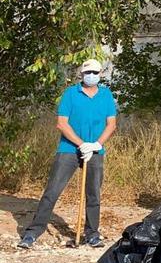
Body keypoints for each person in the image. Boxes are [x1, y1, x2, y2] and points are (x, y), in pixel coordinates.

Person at [18, 59, 117, 249]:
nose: (92, 76)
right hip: (69, 149)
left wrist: (95, 144)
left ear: (100, 74)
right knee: (52, 191)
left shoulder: (106, 95)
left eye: (95, 73)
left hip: (95, 150)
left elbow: (111, 124)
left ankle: (92, 233)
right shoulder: (71, 94)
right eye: (88, 72)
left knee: (94, 194)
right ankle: (32, 233)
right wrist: (81, 144)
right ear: (82, 74)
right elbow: (62, 123)